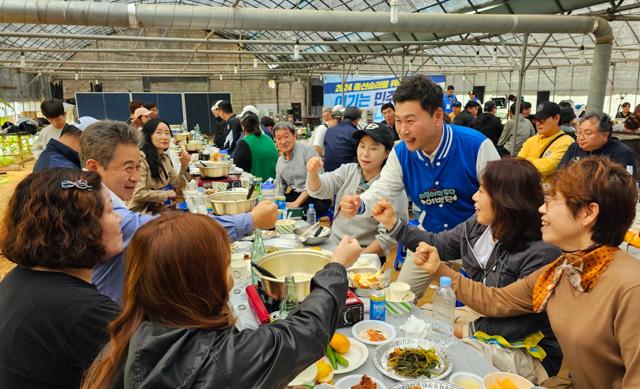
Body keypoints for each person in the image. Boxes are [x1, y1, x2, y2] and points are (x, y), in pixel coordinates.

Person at [412, 157, 640, 388]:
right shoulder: (563, 269)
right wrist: (439, 269)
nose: (541, 208)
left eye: (552, 200)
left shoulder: (631, 288)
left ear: (588, 213)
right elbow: (497, 301)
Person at [81, 213, 362, 389]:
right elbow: (303, 333)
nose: (231, 276)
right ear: (202, 282)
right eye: (226, 265)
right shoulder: (223, 360)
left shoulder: (126, 336)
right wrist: (337, 267)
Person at [371, 159, 562, 383]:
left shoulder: (541, 253)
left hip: (527, 349)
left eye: (481, 191)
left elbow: (522, 323)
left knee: (447, 356)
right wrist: (394, 224)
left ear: (506, 200)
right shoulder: (480, 226)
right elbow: (438, 243)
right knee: (420, 322)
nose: (474, 197)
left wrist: (463, 330)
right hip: (484, 317)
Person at [80, 121, 278, 304]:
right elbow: (179, 232)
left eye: (138, 167)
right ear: (93, 168)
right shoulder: (107, 214)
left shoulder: (88, 196)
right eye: (128, 168)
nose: (134, 176)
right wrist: (251, 219)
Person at [0, 168, 121, 389]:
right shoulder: (86, 313)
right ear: (83, 226)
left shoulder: (19, 278)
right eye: (111, 210)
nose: (119, 218)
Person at [339, 75, 499, 239]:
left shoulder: (476, 146)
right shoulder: (401, 154)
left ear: (437, 116)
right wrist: (360, 204)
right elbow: (383, 189)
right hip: (429, 240)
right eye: (398, 121)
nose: (402, 130)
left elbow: (500, 200)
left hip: (476, 242)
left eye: (410, 121)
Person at [307, 122, 408, 257]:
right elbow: (319, 190)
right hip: (333, 243)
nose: (365, 154)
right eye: (362, 146)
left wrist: (358, 258)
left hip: (365, 253)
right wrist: (313, 173)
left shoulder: (392, 187)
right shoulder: (348, 170)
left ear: (387, 153)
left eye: (373, 148)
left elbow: (387, 237)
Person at [127, 119, 191, 214]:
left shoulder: (163, 158)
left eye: (167, 133)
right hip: (141, 211)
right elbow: (137, 193)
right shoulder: (141, 159)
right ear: (148, 136)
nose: (164, 137)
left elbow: (178, 185)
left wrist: (184, 166)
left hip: (159, 206)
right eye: (159, 133)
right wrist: (165, 194)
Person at [274, 121, 331, 216]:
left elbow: (317, 179)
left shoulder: (306, 150)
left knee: (300, 212)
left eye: (286, 136)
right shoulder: (280, 161)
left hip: (316, 193)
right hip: (296, 194)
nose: (283, 141)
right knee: (278, 210)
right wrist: (278, 203)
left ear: (295, 136)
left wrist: (296, 203)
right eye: (279, 138)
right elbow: (280, 187)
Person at [559, 112, 637, 176]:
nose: (581, 137)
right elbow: (560, 173)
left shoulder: (622, 153)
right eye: (579, 132)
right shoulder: (574, 147)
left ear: (605, 135)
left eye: (587, 133)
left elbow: (626, 185)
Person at [518, 102, 574, 179]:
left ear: (556, 118)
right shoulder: (531, 140)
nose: (538, 123)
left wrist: (526, 160)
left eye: (542, 119)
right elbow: (518, 163)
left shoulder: (567, 142)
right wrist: (538, 161)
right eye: (536, 120)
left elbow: (548, 167)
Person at [234, 112, 279, 180]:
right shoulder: (268, 139)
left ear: (243, 126)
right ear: (258, 124)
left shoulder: (244, 143)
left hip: (256, 187)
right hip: (273, 185)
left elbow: (237, 170)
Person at [323, 106, 361, 172]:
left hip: (327, 172)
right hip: (345, 174)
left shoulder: (330, 130)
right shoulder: (355, 133)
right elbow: (360, 155)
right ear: (357, 120)